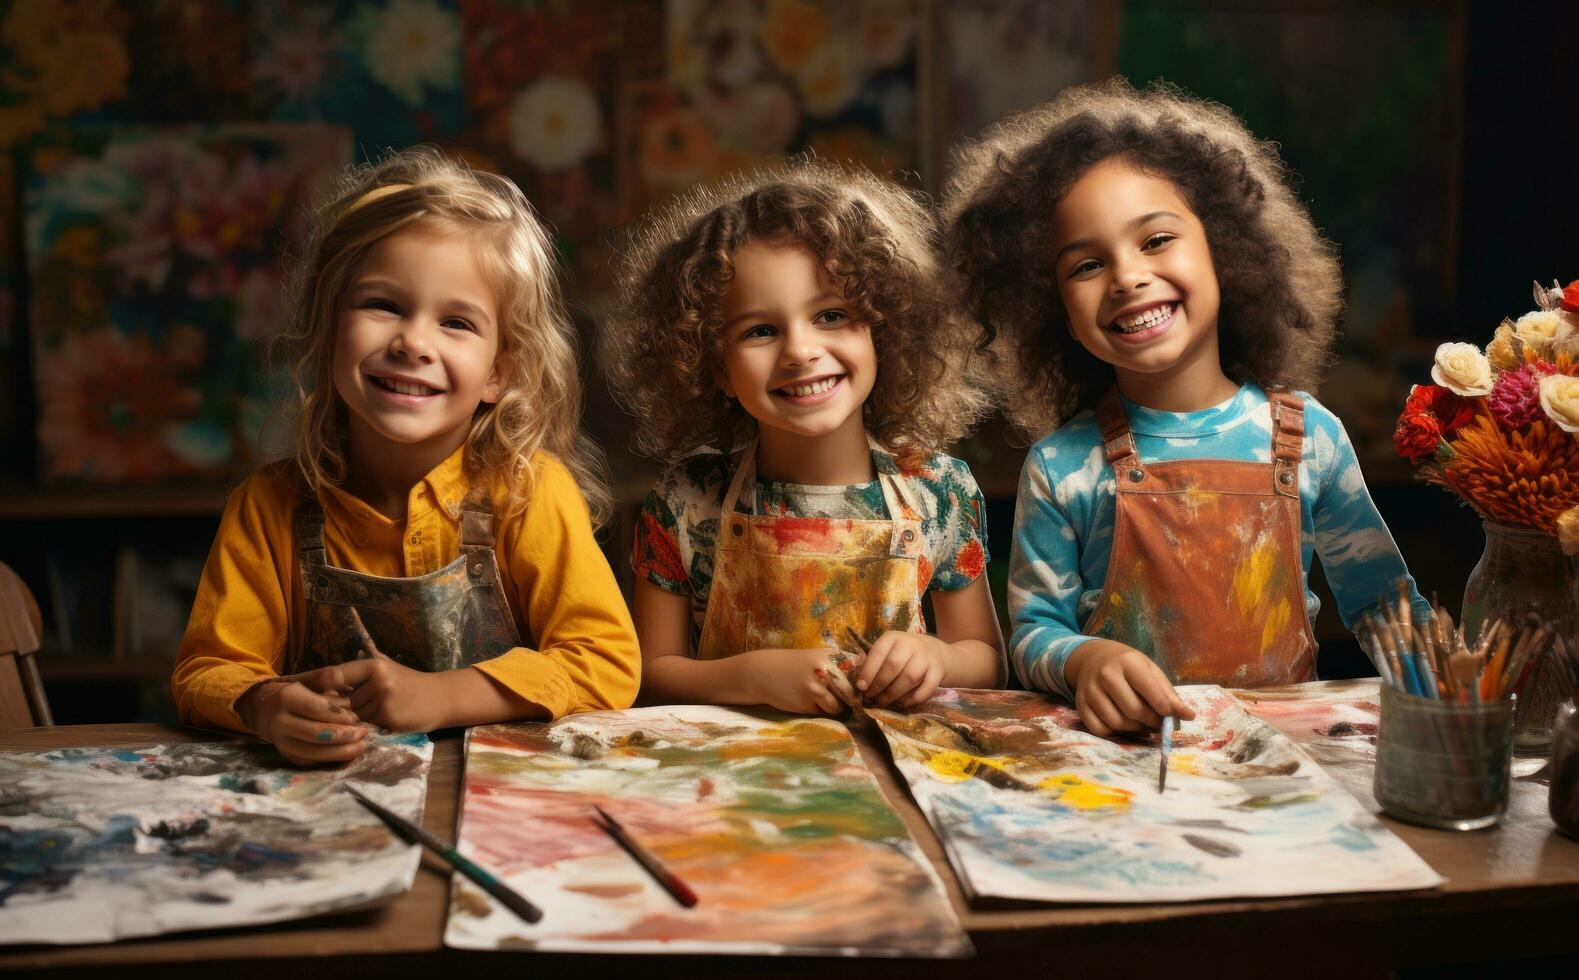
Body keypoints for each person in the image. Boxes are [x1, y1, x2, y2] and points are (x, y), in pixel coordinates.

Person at [943, 79, 1426, 736]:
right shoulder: (1062, 466)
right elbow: (1031, 636)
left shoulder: (1309, 436)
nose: (1126, 276)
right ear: (1050, 310)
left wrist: (1446, 708)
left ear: (1225, 253)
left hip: (1286, 769)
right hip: (1131, 766)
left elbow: (1385, 609)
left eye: (1155, 240)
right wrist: (1085, 659)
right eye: (1085, 265)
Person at [172, 147, 639, 764]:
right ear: (326, 327)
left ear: (499, 373)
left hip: (509, 801)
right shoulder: (268, 507)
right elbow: (207, 668)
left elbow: (605, 663)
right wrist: (264, 703)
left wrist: (443, 697)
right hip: (332, 809)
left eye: (457, 323)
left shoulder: (529, 492)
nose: (413, 342)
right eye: (383, 305)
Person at [607, 160, 1005, 715]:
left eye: (832, 315)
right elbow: (650, 676)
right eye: (761, 330)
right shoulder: (686, 502)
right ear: (714, 366)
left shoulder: (937, 491)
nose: (799, 350)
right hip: (740, 779)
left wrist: (935, 657)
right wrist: (750, 678)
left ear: (883, 332)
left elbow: (985, 656)